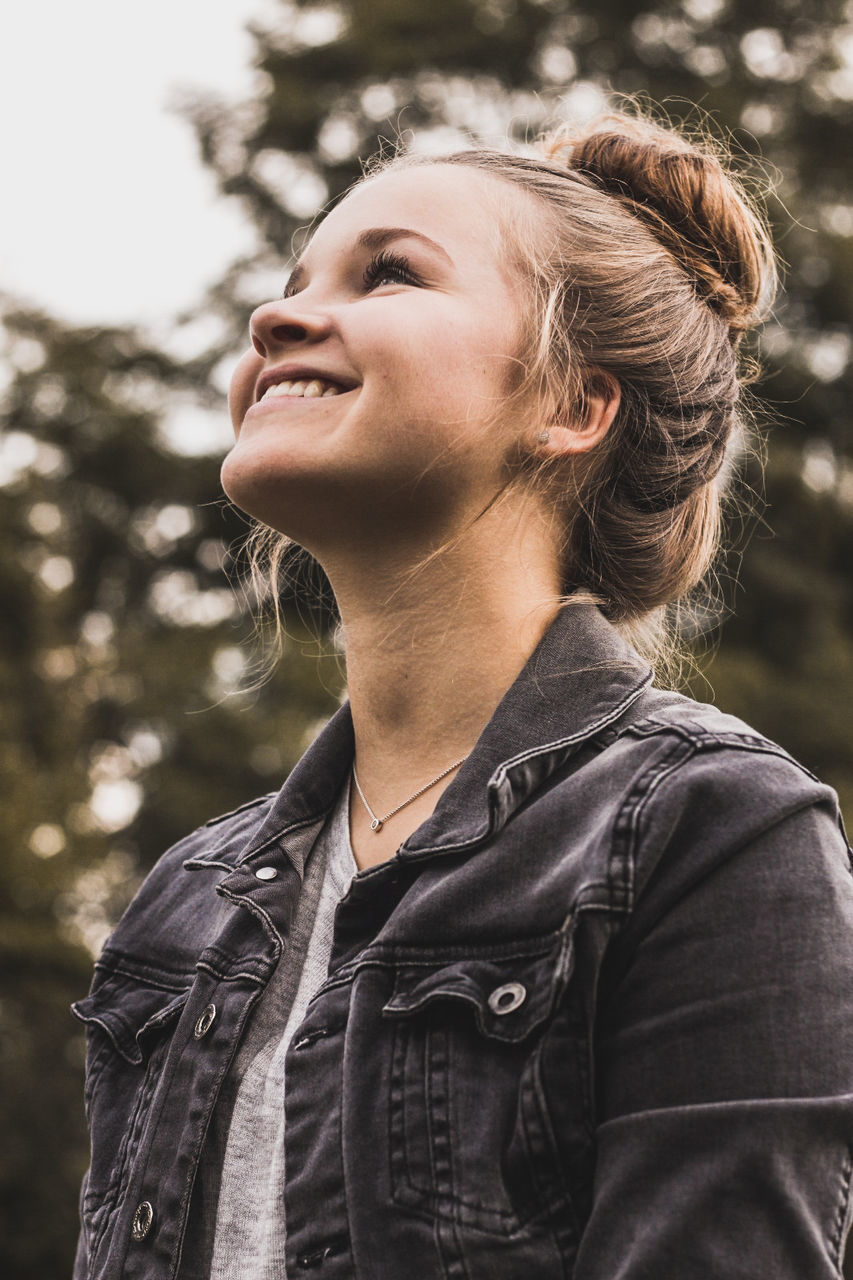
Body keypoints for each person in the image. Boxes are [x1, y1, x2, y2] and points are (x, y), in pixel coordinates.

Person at [72, 107, 853, 1280]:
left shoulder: (717, 833)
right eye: (294, 279)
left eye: (389, 273)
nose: (274, 316)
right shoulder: (184, 901)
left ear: (572, 405)